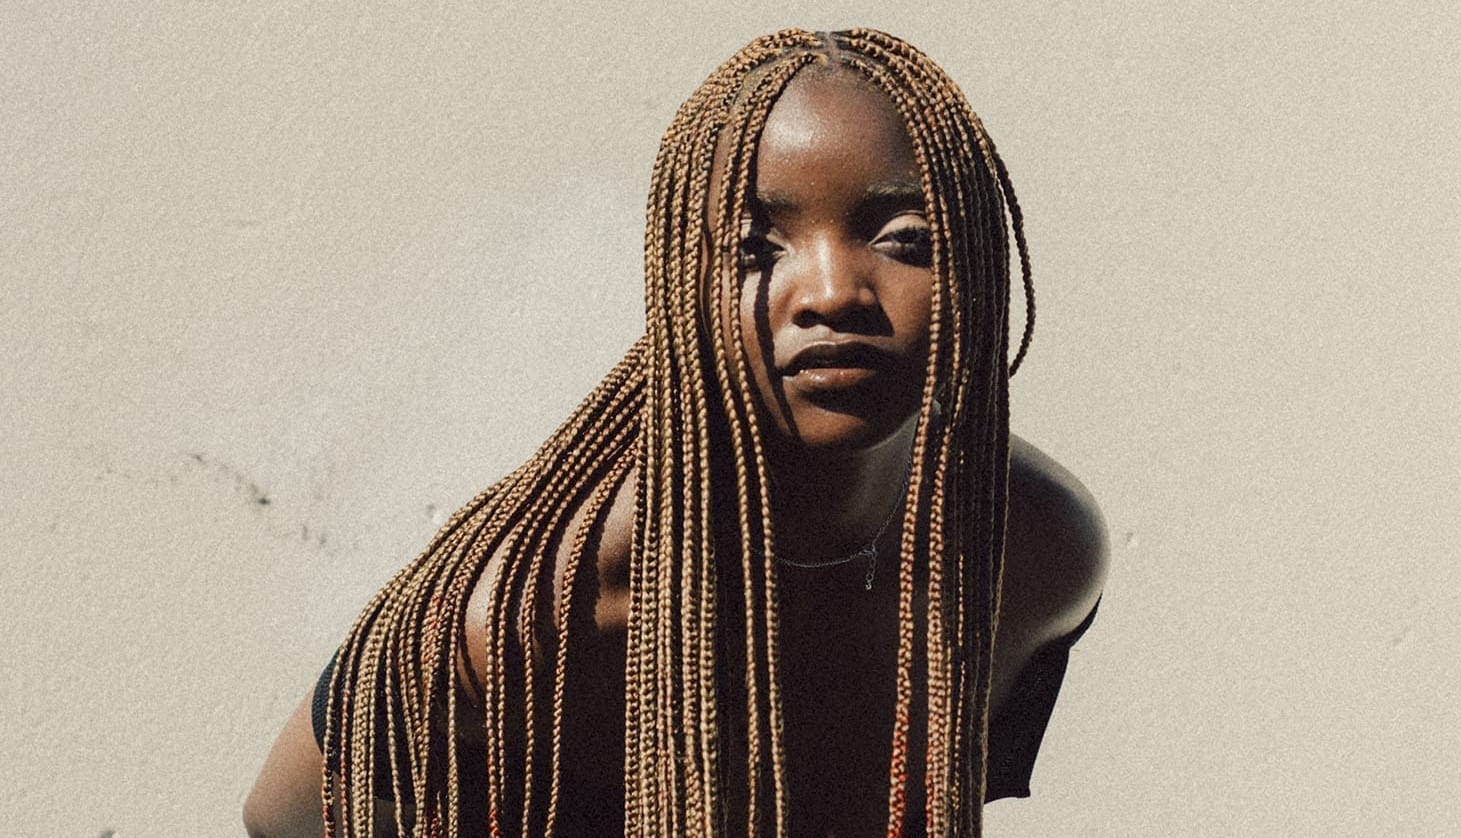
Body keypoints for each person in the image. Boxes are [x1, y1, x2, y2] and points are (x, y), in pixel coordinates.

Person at [244, 28, 1106, 838]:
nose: (831, 289)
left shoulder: (1036, 550)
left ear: (981, 268)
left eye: (904, 239)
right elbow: (284, 816)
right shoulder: (526, 607)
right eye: (753, 247)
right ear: (680, 294)